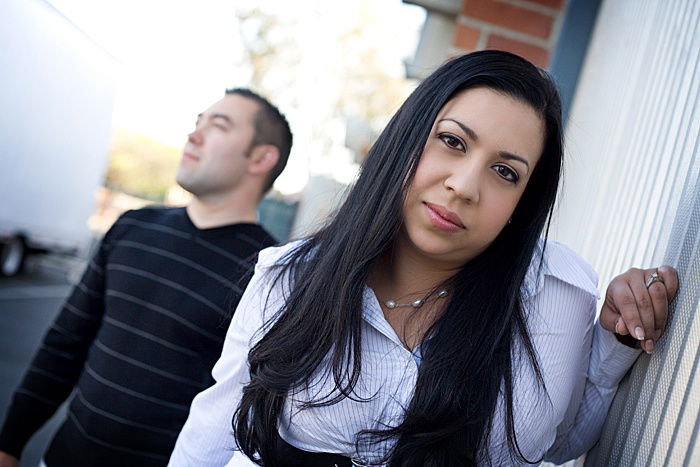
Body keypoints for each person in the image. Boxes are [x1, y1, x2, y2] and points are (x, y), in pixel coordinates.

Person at [169, 51, 678, 467]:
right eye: (452, 142)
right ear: (406, 140)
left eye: (505, 172)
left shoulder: (557, 293)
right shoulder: (289, 279)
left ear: (523, 204)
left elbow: (557, 442)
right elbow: (212, 435)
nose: (464, 186)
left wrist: (613, 345)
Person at [0, 88, 292, 466]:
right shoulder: (132, 227)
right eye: (197, 122)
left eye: (218, 126)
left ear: (261, 157)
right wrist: (10, 442)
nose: (193, 135)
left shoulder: (270, 275)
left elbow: (249, 414)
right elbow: (65, 344)